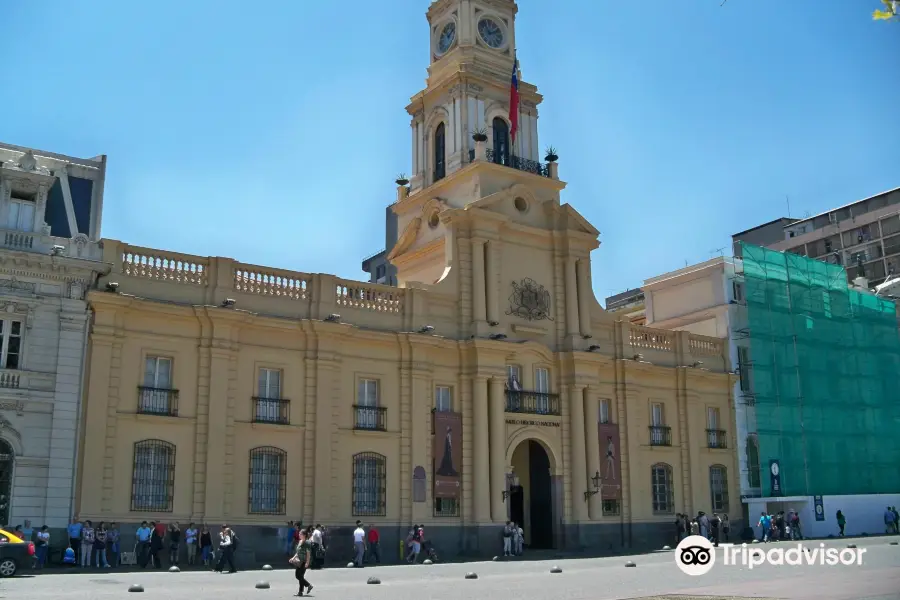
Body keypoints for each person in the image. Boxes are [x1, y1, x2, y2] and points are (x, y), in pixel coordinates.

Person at [291, 529, 313, 597]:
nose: (299, 535)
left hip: (304, 561)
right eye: (299, 533)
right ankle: (302, 590)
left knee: (299, 576)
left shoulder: (307, 543)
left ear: (304, 535)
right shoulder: (300, 541)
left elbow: (308, 554)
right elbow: (298, 552)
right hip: (299, 561)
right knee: (298, 576)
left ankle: (307, 586)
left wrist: (307, 562)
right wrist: (293, 558)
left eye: (300, 534)